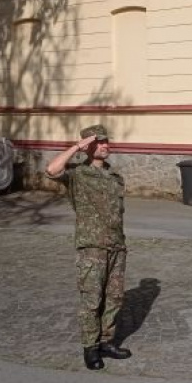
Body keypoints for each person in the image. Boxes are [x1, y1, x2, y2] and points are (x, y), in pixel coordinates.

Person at [45, 125, 132, 370]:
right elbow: (51, 170)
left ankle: (106, 342)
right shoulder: (77, 175)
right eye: (99, 142)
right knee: (92, 300)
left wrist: (121, 245)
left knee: (114, 298)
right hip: (92, 247)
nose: (105, 146)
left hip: (116, 246)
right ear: (88, 147)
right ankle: (90, 348)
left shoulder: (115, 177)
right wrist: (76, 147)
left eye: (106, 142)